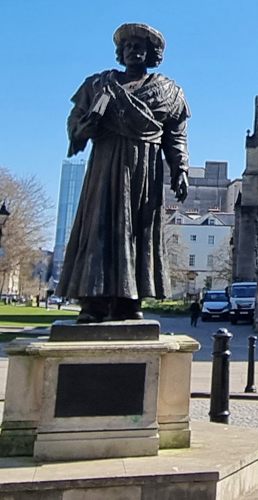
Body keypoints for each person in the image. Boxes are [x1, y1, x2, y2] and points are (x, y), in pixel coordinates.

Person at [57, 23, 190, 323]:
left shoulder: (169, 92)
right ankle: (92, 304)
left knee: (137, 233)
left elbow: (176, 136)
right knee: (99, 228)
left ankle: (130, 303)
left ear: (152, 53)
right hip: (106, 164)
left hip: (145, 169)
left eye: (140, 45)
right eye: (128, 45)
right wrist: (81, 129)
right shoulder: (98, 85)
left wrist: (180, 169)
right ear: (120, 51)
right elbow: (74, 121)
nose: (133, 49)